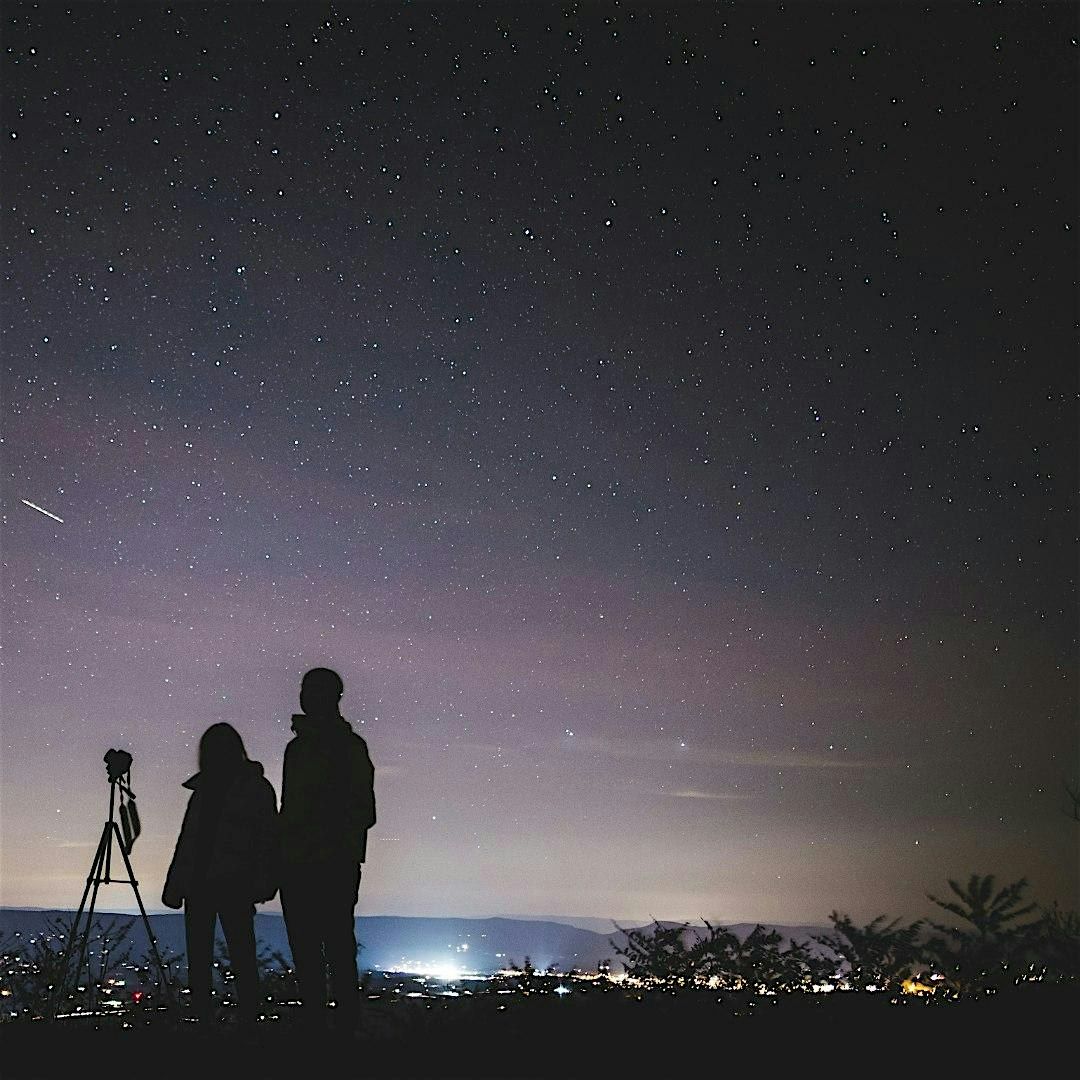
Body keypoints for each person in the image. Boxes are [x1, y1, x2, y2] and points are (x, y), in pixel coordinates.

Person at [162, 723, 278, 1025]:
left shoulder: (251, 789)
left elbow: (267, 838)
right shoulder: (209, 791)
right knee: (207, 958)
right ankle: (208, 1018)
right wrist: (176, 883)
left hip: (232, 883)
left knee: (238, 954)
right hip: (205, 884)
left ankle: (244, 1019)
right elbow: (188, 840)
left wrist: (264, 881)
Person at [279, 667, 375, 1028]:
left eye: (310, 690)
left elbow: (362, 811)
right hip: (319, 862)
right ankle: (329, 1024)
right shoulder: (308, 748)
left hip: (324, 862)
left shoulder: (337, 748)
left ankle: (332, 1026)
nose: (304, 696)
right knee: (324, 944)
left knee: (326, 944)